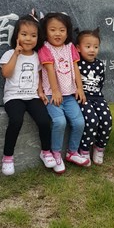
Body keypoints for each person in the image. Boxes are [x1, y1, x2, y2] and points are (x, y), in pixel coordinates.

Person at [0, 13, 56, 176]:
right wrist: (16, 54)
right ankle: (8, 157)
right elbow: (6, 73)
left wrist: (40, 91)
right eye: (24, 34)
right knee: (16, 120)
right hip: (14, 97)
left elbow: (37, 76)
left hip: (32, 96)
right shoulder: (9, 54)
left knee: (44, 121)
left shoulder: (37, 56)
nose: (28, 39)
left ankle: (46, 151)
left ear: (38, 38)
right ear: (16, 36)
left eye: (33, 35)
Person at [38, 12, 89, 174]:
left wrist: (79, 88)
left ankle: (72, 152)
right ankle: (55, 154)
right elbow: (50, 70)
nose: (57, 33)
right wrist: (55, 90)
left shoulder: (70, 47)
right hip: (53, 94)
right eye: (53, 30)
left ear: (67, 32)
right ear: (46, 32)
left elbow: (75, 68)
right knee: (59, 122)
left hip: (69, 94)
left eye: (62, 30)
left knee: (79, 122)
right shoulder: (45, 48)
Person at [75, 28, 112, 166]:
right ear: (78, 48)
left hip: (97, 97)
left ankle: (99, 148)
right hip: (83, 98)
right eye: (88, 46)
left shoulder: (99, 65)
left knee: (106, 119)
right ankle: (84, 149)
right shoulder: (76, 64)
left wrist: (97, 96)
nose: (92, 50)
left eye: (96, 47)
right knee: (91, 120)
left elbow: (101, 82)